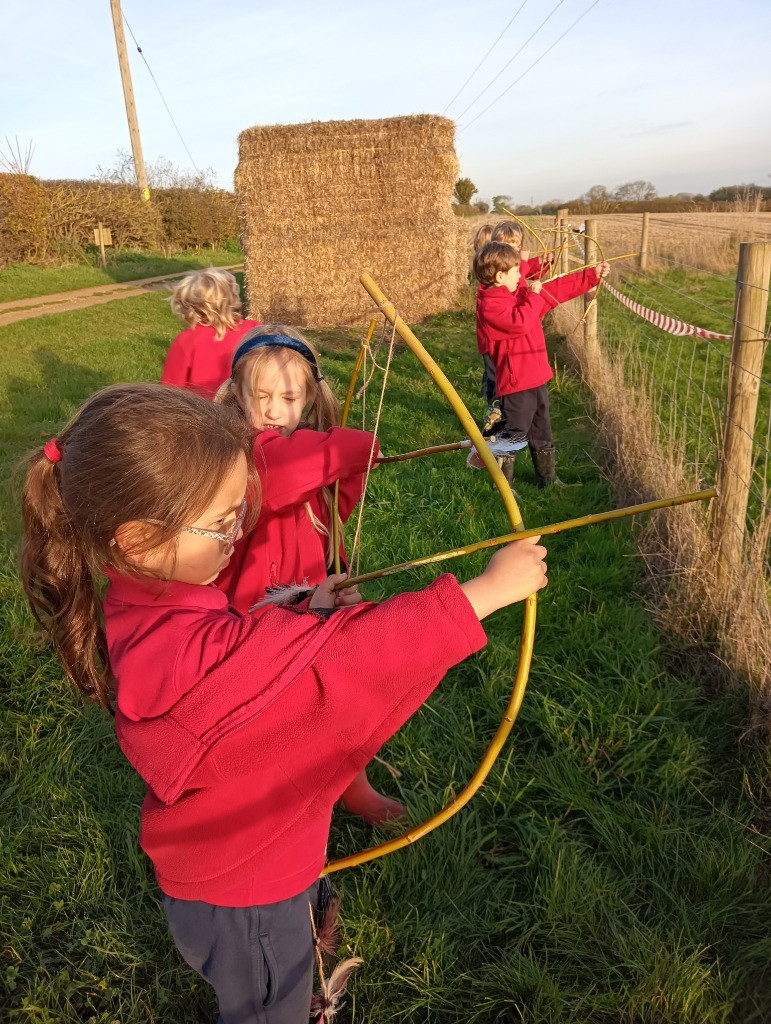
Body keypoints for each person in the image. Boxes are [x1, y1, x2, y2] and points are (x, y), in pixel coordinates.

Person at [19, 381, 548, 1024]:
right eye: (219, 524)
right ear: (135, 540)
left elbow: (246, 649)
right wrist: (483, 594)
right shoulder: (185, 656)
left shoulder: (149, 601)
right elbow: (330, 668)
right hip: (247, 898)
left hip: (233, 872)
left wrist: (303, 607)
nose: (236, 534)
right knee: (272, 1009)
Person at [214, 324, 405, 825]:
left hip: (311, 606)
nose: (274, 409)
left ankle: (352, 784)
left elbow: (336, 502)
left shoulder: (307, 455)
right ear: (237, 397)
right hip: (251, 620)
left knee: (340, 699)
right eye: (261, 396)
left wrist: (345, 465)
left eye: (289, 397)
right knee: (270, 717)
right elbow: (284, 475)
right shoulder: (237, 456)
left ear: (311, 399)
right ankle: (274, 802)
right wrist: (353, 447)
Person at [474, 241, 610, 487]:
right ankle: (502, 486)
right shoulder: (490, 306)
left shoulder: (519, 294)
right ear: (499, 276)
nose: (522, 275)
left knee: (541, 430)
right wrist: (534, 296)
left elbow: (554, 291)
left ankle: (547, 480)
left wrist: (591, 276)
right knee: (513, 434)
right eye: (517, 271)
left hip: (536, 377)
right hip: (516, 384)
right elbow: (520, 323)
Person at [162, 268, 261, 399]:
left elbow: (170, 392)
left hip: (203, 415)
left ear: (190, 308)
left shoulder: (186, 341)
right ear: (232, 298)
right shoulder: (255, 330)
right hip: (246, 409)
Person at [472, 223, 501, 434]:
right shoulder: (489, 284)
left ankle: (494, 416)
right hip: (491, 342)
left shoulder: (485, 278)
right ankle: (492, 424)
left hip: (487, 342)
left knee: (491, 378)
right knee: (493, 381)